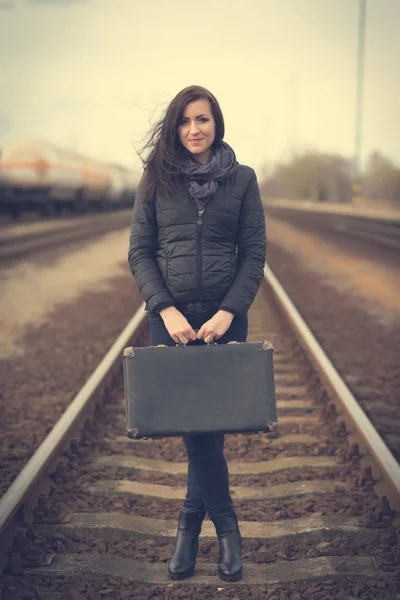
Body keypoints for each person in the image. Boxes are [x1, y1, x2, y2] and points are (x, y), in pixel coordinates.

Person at [128, 85, 266, 582]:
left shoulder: (244, 180)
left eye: (203, 119)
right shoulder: (154, 181)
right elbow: (140, 253)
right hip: (173, 325)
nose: (194, 129)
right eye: (185, 120)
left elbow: (254, 254)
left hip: (223, 322)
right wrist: (164, 309)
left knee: (207, 432)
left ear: (216, 123)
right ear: (174, 126)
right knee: (197, 432)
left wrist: (230, 312)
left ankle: (189, 528)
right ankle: (225, 532)